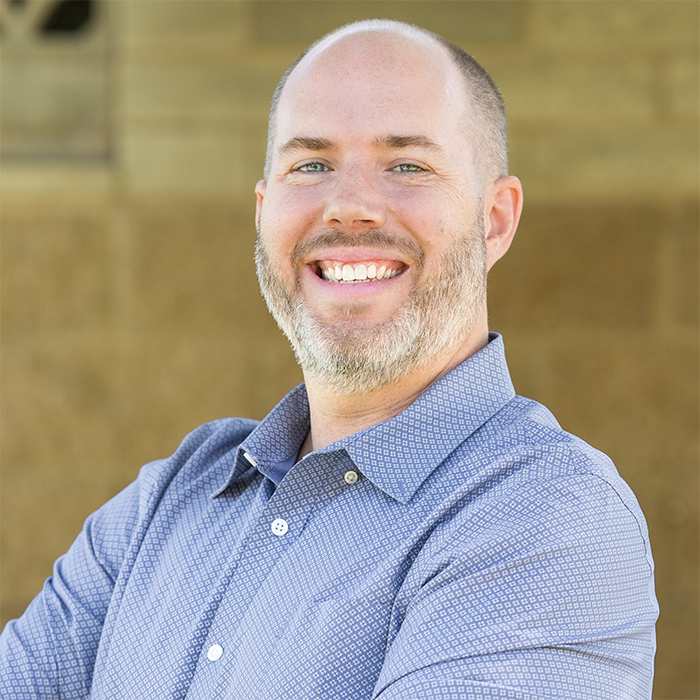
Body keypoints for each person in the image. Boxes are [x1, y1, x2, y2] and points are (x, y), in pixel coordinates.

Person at [0, 19, 657, 700]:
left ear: (495, 218)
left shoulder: (547, 519)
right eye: (310, 164)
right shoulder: (167, 502)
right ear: (263, 210)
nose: (349, 205)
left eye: (407, 164)